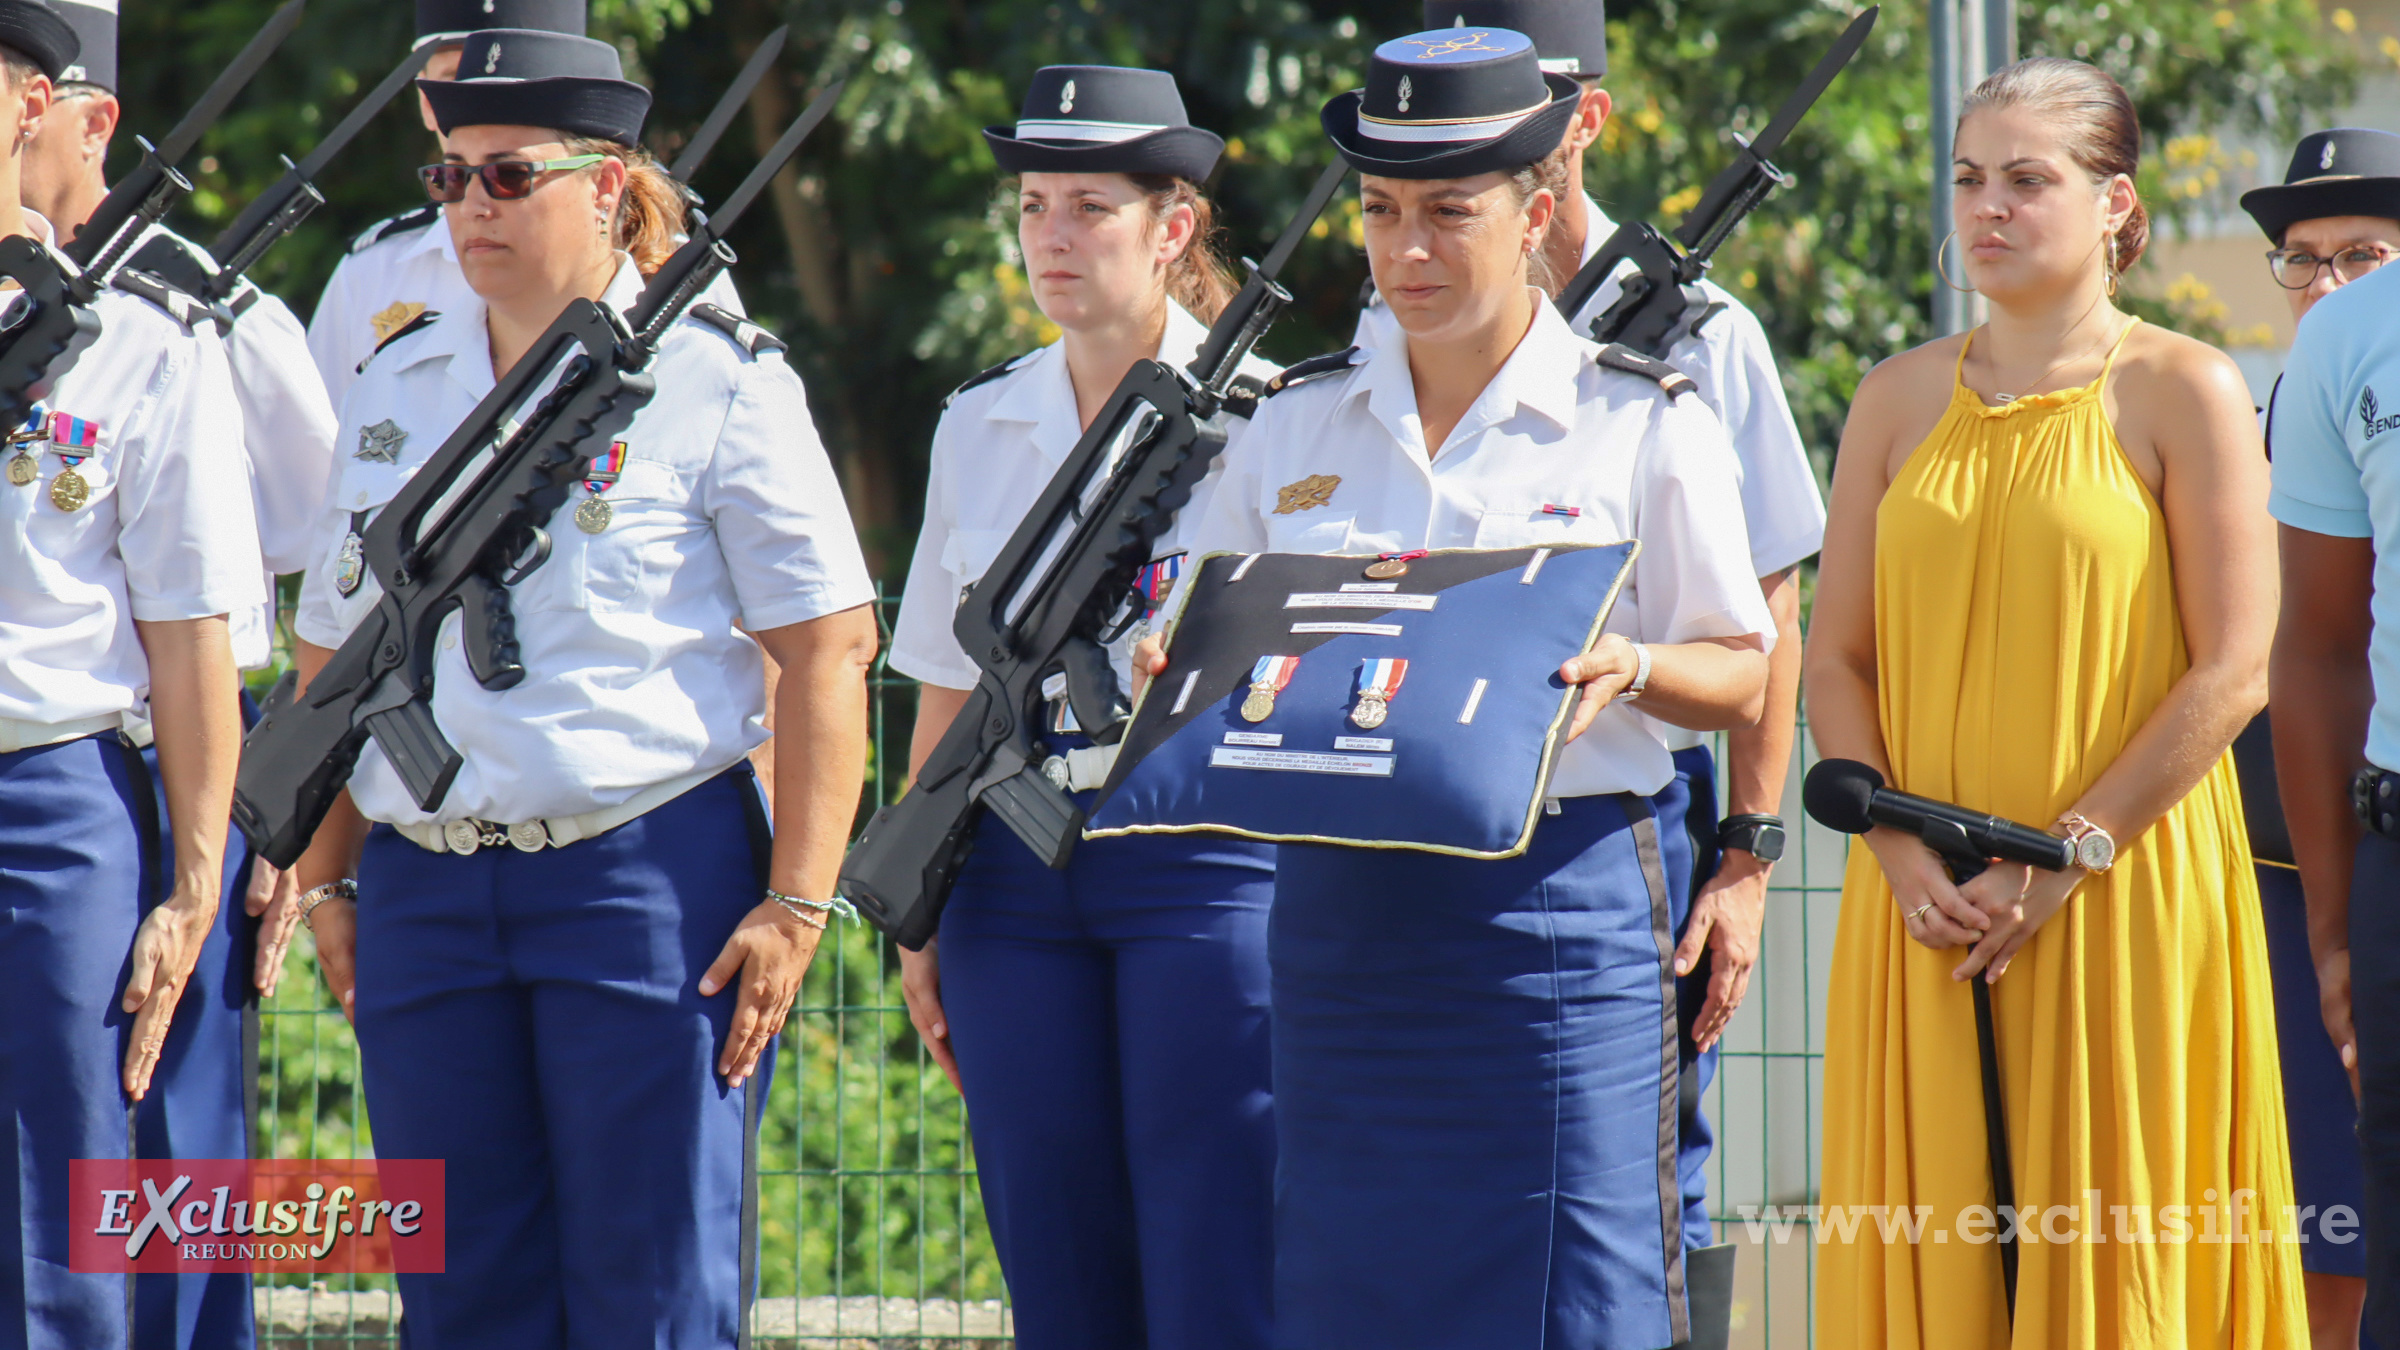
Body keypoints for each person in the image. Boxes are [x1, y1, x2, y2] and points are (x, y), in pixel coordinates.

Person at [1158, 30, 1772, 1347]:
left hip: (1556, 911)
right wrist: (1185, 664)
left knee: (1581, 1290)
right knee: (1352, 1284)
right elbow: (1213, 629)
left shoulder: (1643, 418)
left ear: (1537, 209)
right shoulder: (1294, 424)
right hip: (1342, 918)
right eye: (1383, 213)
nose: (1408, 249)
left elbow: (1743, 665)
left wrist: (1645, 666)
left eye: (1450, 212)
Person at [283, 29, 878, 1347]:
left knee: (651, 1293)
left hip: (643, 883)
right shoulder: (396, 380)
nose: (470, 208)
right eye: (449, 178)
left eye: (509, 177)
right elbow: (331, 654)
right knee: (460, 1300)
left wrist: (797, 898)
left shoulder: (716, 378)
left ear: (608, 185)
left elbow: (829, 645)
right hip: (426, 887)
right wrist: (327, 879)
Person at [1807, 57, 2304, 1343]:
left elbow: (2235, 668)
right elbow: (1834, 659)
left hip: (2119, 890)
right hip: (1922, 901)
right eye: (1971, 177)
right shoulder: (1892, 396)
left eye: (2030, 179)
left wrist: (2066, 854)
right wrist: (1897, 845)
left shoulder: (2185, 388)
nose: (1991, 206)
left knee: (2123, 1247)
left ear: (2115, 204)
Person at [1381, 0, 1824, 1288]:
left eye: (1540, 96)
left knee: (1639, 1168)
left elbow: (1767, 612)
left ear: (1587, 118)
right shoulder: (1408, 308)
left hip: (1641, 774)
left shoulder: (1704, 331)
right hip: (1433, 777)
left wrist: (1746, 856)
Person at [886, 65, 1282, 1350]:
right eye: (1034, 206)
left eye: (1089, 208)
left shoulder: (1280, 419)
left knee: (1217, 1251)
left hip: (1205, 859)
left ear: (1173, 229)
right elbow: (947, 683)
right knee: (1055, 1258)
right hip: (1010, 875)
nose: (1052, 237)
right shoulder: (978, 421)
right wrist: (918, 907)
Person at [20, 6, 340, 1342]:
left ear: (77, 115)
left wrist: (265, 801)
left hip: (151, 756)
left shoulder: (186, 318)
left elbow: (316, 557)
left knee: (152, 1169)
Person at [2236, 127, 2400, 1350]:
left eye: (2362, 252)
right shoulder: (2294, 383)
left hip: (2336, 846)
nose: (2330, 282)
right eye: (2305, 259)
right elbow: (2311, 642)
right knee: (2318, 1222)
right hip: (2292, 854)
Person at [303, 0, 589, 407]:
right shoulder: (373, 272)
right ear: (425, 102)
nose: (477, 106)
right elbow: (325, 455)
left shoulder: (668, 269)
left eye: (514, 84)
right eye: (453, 84)